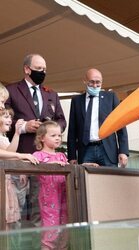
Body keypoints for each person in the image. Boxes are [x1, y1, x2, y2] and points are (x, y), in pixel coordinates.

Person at [5, 53, 67, 227]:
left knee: (41, 207)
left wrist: (50, 130)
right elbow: (4, 118)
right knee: (17, 207)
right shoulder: (11, 90)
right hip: (21, 155)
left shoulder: (51, 94)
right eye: (38, 69)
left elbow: (62, 120)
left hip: (46, 160)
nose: (42, 72)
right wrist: (24, 126)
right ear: (27, 69)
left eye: (44, 69)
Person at [67, 68, 129, 167]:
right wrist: (72, 156)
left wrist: (123, 151)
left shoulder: (111, 97)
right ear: (85, 81)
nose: (95, 85)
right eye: (91, 82)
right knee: (86, 181)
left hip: (107, 149)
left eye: (98, 82)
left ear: (102, 82)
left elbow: (120, 125)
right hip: (85, 150)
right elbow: (72, 130)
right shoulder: (76, 101)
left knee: (110, 180)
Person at [33, 121, 68, 250]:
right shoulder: (38, 155)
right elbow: (33, 170)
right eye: (53, 135)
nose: (58, 138)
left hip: (64, 197)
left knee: (65, 229)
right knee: (50, 229)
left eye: (59, 135)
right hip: (48, 199)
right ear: (42, 138)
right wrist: (51, 164)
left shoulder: (62, 156)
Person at [0, 108, 28, 229]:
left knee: (9, 221)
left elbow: (9, 153)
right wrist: (21, 157)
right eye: (6, 117)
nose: (10, 120)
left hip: (7, 181)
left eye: (10, 117)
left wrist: (17, 133)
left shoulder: (4, 137)